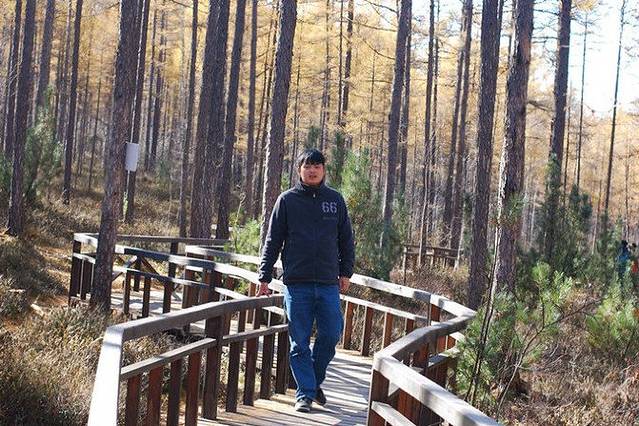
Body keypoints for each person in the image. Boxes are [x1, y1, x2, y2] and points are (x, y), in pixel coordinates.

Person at [257, 148, 355, 413]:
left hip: (327, 283)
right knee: (299, 342)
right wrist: (264, 275)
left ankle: (311, 381)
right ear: (299, 170)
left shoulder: (335, 200)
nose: (312, 170)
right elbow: (273, 241)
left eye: (317, 166)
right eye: (307, 166)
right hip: (296, 283)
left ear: (324, 170)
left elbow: (346, 240)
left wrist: (346, 272)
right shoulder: (287, 200)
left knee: (331, 334)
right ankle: (305, 394)